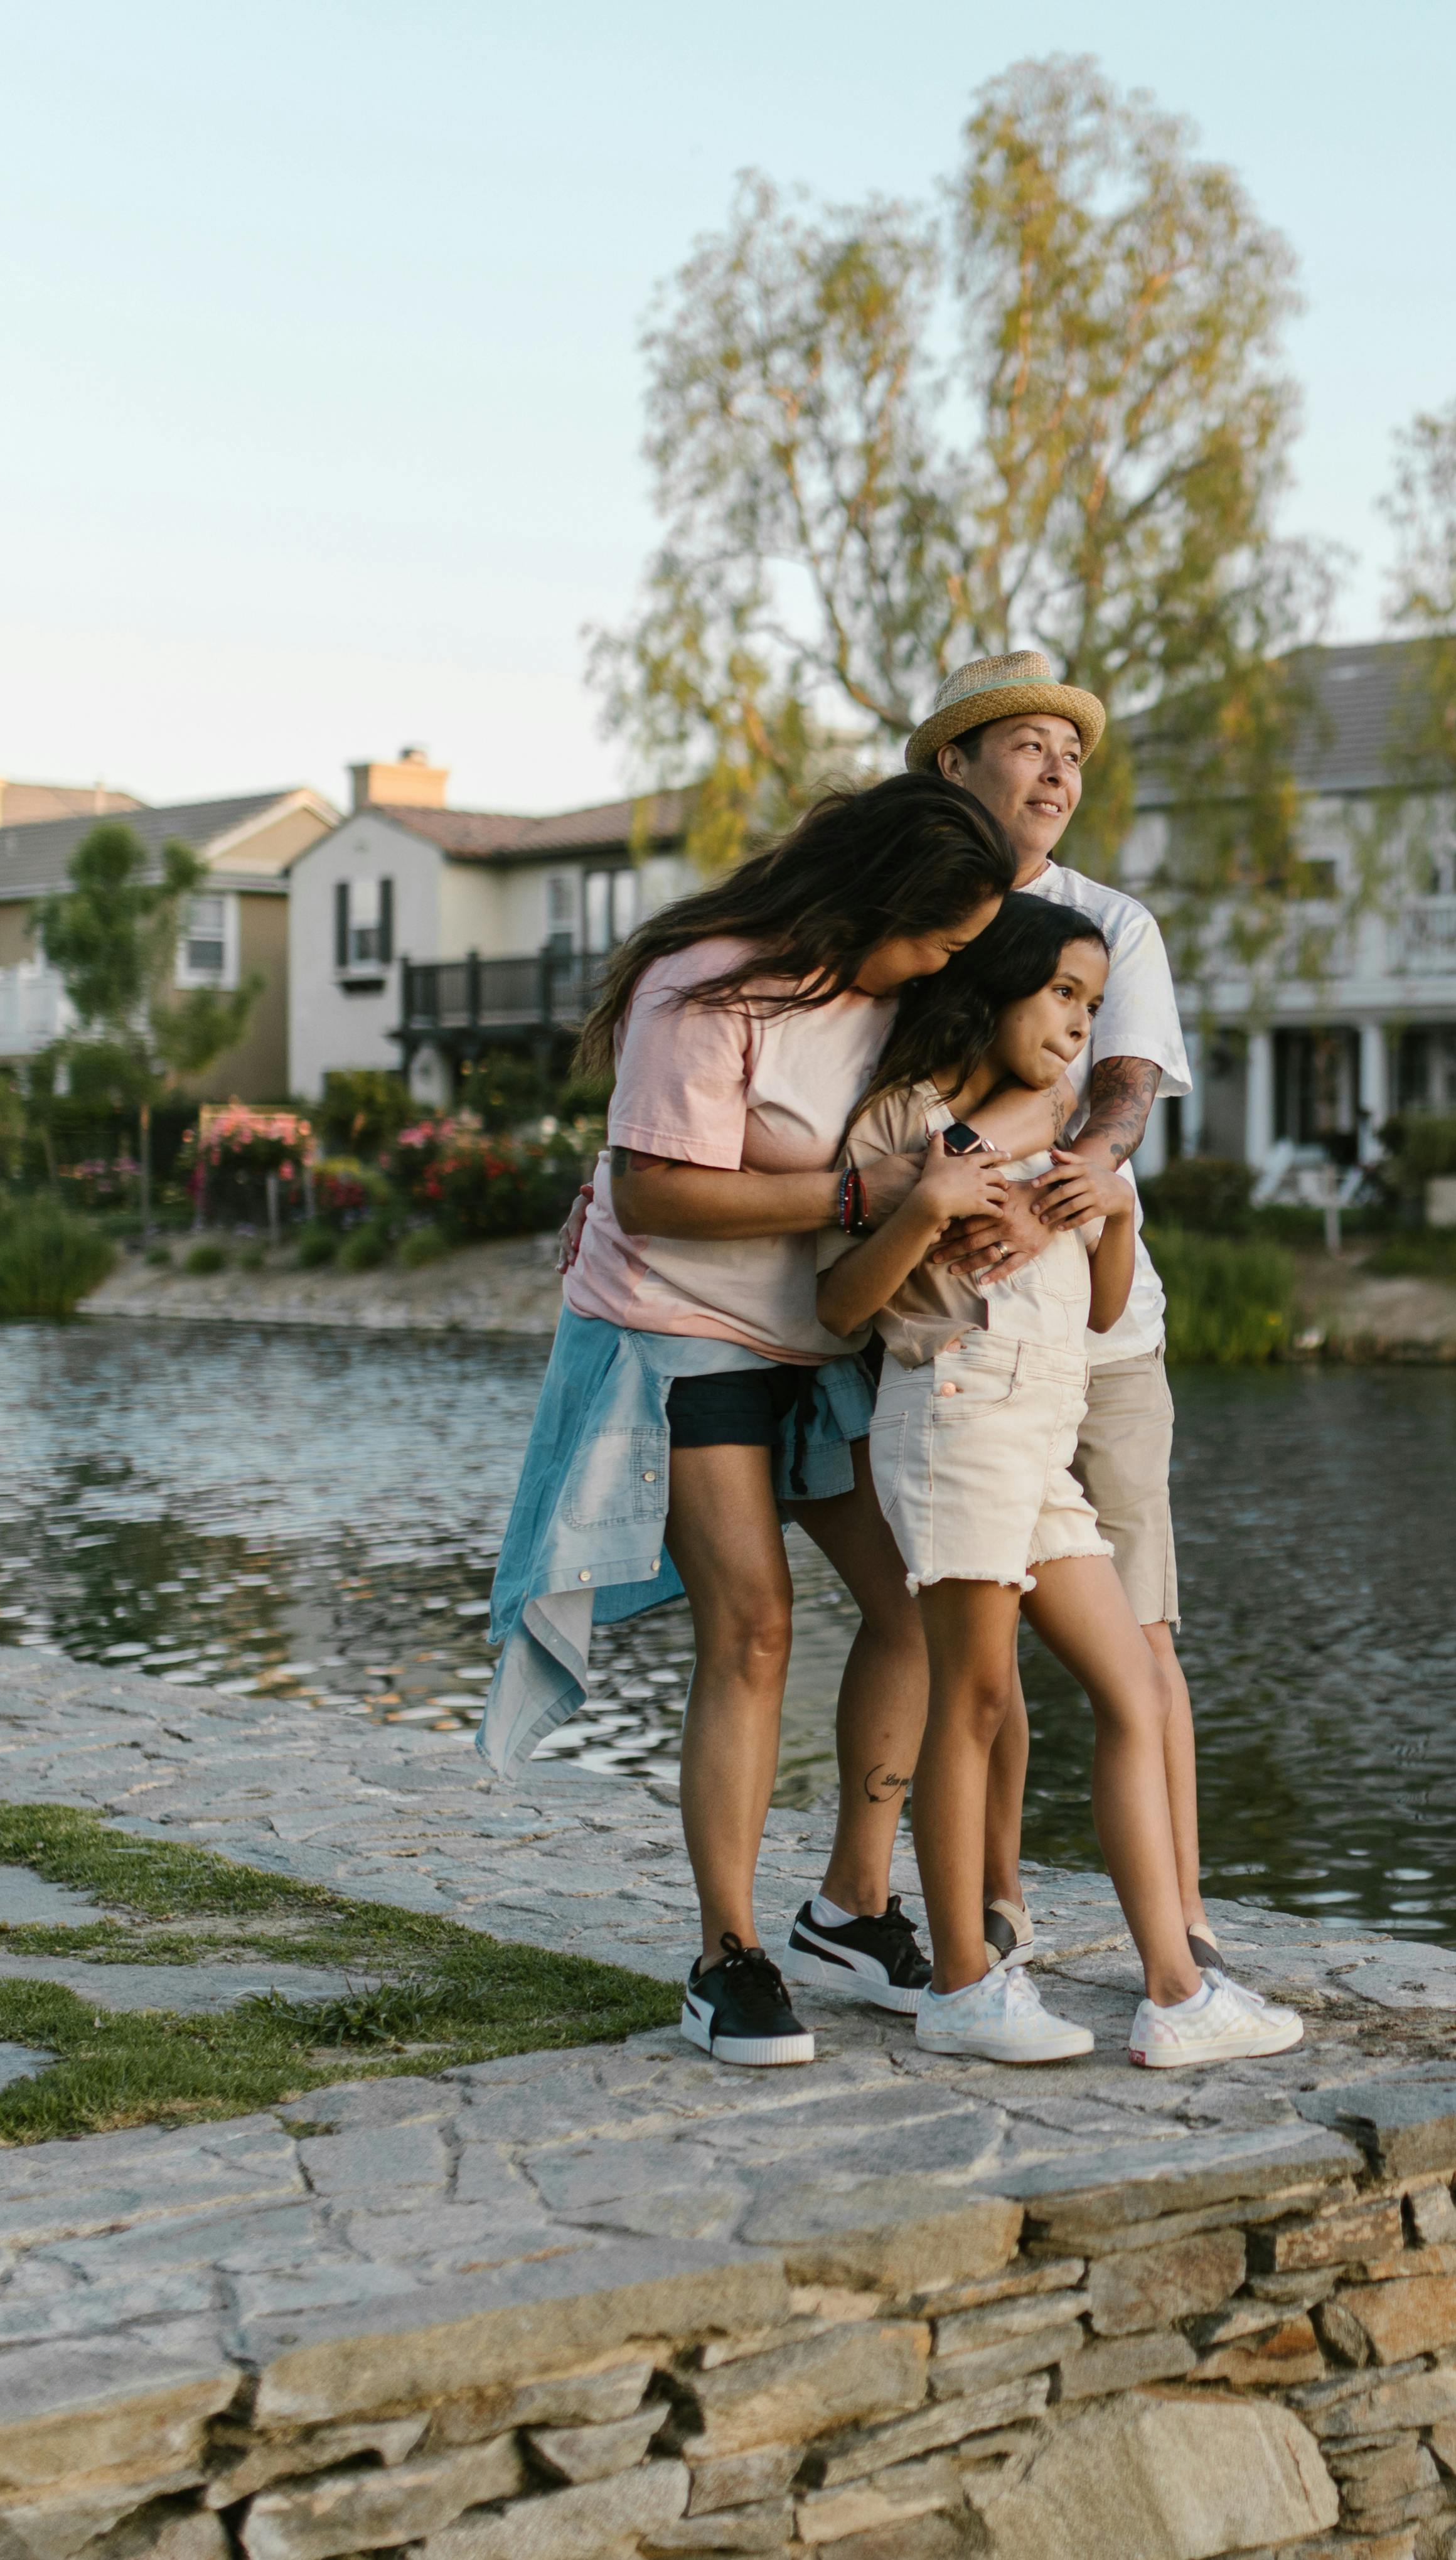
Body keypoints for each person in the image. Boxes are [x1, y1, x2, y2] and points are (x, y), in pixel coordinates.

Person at [476, 774, 1010, 2070]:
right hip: (680, 1331)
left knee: (912, 1610)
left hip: (821, 1333)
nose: (951, 961)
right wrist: (859, 1195)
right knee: (756, 1626)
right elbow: (654, 1194)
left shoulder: (901, 1000)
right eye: (939, 936)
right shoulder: (705, 987)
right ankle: (726, 1959)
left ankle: (846, 1906)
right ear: (880, 900)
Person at [789, 653, 1224, 2007]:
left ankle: (1183, 1939)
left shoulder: (1107, 922)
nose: (1055, 772)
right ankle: (974, 1919)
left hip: (1096, 1334)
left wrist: (1064, 1203)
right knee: (962, 1647)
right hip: (952, 1349)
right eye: (1025, 745)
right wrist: (944, 1194)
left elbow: (1121, 1093)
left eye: (1071, 753)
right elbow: (888, 1112)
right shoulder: (915, 923)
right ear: (952, 768)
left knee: (1133, 1635)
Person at [814, 893, 1303, 2068]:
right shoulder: (906, 1121)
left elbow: (1090, 1308)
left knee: (1135, 1689)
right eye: (1062, 996)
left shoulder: (1071, 1135)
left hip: (1044, 1432)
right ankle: (964, 1989)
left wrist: (1115, 1209)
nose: (1081, 1024)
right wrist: (926, 1204)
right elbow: (837, 1305)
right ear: (994, 992)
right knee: (972, 1700)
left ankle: (1177, 1997)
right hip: (955, 1417)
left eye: (1092, 1003)